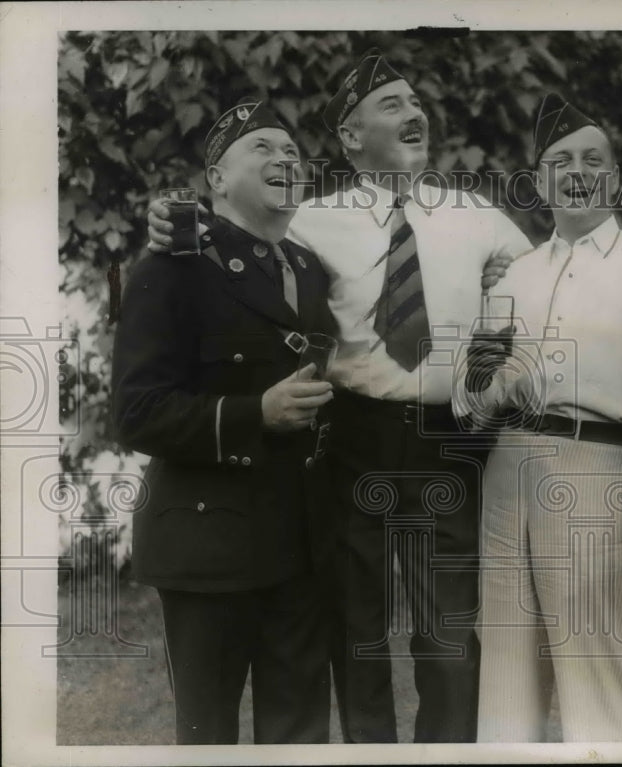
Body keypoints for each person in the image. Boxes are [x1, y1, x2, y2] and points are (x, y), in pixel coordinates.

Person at [146, 49, 532, 743]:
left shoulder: (477, 213)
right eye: (392, 105)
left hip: (452, 442)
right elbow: (225, 236)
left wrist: (516, 278)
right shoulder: (309, 219)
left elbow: (548, 281)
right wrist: (164, 220)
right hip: (354, 441)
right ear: (351, 138)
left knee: (448, 630)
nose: (415, 114)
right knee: (357, 628)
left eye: (416, 103)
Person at [465, 93, 622, 742]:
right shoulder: (514, 279)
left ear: (613, 177)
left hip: (598, 477)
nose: (577, 171)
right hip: (508, 474)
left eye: (594, 159)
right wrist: (478, 378)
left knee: (593, 683)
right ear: (541, 181)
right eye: (561, 161)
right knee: (506, 687)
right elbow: (478, 406)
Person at [112, 102, 339, 744]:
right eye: (263, 148)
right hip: (207, 549)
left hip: (299, 545)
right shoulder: (170, 267)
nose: (285, 159)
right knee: (207, 740)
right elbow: (135, 412)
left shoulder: (310, 269)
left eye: (293, 151)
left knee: (299, 740)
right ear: (216, 179)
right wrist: (253, 415)